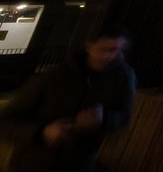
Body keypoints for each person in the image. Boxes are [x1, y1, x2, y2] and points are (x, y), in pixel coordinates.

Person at [1, 24, 135, 172]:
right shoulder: (52, 77)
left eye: (120, 51)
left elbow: (124, 116)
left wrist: (104, 119)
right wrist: (42, 132)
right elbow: (5, 121)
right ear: (89, 46)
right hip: (32, 162)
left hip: (80, 163)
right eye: (106, 50)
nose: (113, 57)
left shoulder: (124, 77)